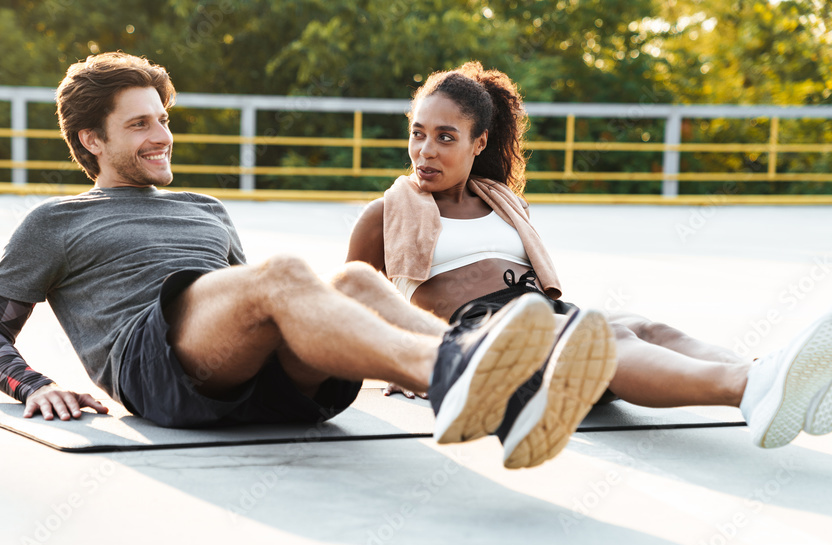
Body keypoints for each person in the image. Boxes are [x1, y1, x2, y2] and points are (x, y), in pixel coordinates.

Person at [0, 52, 592, 461]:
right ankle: (467, 372)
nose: (162, 136)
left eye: (162, 119)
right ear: (91, 139)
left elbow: (258, 307)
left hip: (256, 385)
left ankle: (495, 371)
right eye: (139, 126)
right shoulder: (56, 220)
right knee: (285, 273)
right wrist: (34, 385)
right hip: (154, 370)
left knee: (352, 283)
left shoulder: (205, 208)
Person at [347, 61, 832, 466]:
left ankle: (777, 373)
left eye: (445, 137)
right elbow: (351, 301)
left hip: (538, 313)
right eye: (418, 134)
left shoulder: (499, 201)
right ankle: (749, 389)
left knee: (642, 324)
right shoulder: (386, 213)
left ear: (479, 143)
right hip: (482, 334)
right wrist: (403, 363)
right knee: (610, 337)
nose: (425, 151)